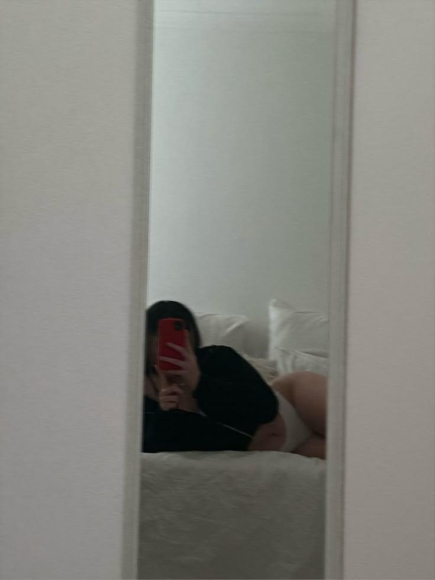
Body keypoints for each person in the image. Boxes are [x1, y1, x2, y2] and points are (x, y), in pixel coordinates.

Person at [143, 301, 327, 458]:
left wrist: (199, 382)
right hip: (288, 448)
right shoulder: (140, 392)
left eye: (180, 335)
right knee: (343, 464)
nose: (171, 345)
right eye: (160, 337)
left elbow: (266, 408)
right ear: (145, 340)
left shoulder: (217, 357)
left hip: (293, 401)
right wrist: (166, 412)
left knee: (346, 434)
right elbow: (154, 448)